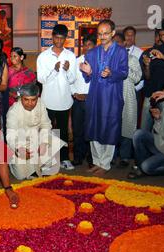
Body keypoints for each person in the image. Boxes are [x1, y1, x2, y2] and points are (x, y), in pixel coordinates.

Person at [79, 19, 128, 175]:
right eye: (99, 33)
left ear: (113, 33)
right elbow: (88, 77)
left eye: (106, 33)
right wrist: (87, 72)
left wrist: (111, 73)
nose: (102, 36)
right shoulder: (92, 52)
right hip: (95, 96)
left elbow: (124, 72)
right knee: (93, 127)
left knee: (110, 127)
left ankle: (105, 164)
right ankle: (97, 161)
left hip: (112, 96)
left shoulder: (121, 52)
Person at [37, 24, 77, 171]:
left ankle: (64, 158)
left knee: (63, 131)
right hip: (48, 100)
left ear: (66, 39)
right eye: (57, 37)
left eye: (62, 38)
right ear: (52, 37)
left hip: (65, 101)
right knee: (47, 131)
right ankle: (47, 160)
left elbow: (72, 80)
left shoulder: (71, 56)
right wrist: (54, 70)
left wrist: (66, 71)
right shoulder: (43, 56)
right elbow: (41, 79)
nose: (59, 41)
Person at [6, 83, 65, 180]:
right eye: (26, 100)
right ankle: (13, 164)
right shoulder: (13, 111)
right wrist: (18, 149)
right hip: (20, 144)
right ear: (21, 98)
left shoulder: (41, 104)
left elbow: (46, 124)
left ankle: (40, 164)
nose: (30, 103)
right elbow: (11, 136)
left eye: (33, 100)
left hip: (37, 139)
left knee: (51, 139)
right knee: (21, 176)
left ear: (38, 97)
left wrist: (44, 142)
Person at [113, 32, 142, 168]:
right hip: (111, 97)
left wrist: (124, 68)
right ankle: (111, 156)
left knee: (127, 126)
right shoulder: (108, 59)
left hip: (128, 96)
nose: (116, 45)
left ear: (124, 43)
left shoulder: (132, 59)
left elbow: (137, 78)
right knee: (112, 127)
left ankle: (124, 157)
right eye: (114, 42)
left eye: (119, 42)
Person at [70, 34, 96, 167]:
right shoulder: (77, 61)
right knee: (77, 129)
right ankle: (78, 157)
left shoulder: (99, 61)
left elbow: (99, 83)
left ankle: (92, 158)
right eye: (84, 45)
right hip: (78, 100)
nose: (86, 48)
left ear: (95, 46)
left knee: (91, 130)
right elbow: (71, 80)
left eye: (89, 45)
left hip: (92, 101)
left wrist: (88, 95)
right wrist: (75, 93)